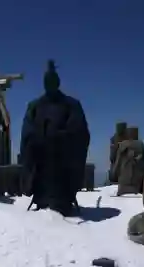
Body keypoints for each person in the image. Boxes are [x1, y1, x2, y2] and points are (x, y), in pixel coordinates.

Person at [20, 60, 90, 216]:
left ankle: (63, 200)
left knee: (61, 189)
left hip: (63, 166)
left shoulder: (71, 105)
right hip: (41, 165)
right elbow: (27, 134)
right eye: (47, 81)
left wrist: (59, 136)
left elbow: (80, 133)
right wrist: (38, 138)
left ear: (58, 82)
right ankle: (42, 198)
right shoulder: (35, 106)